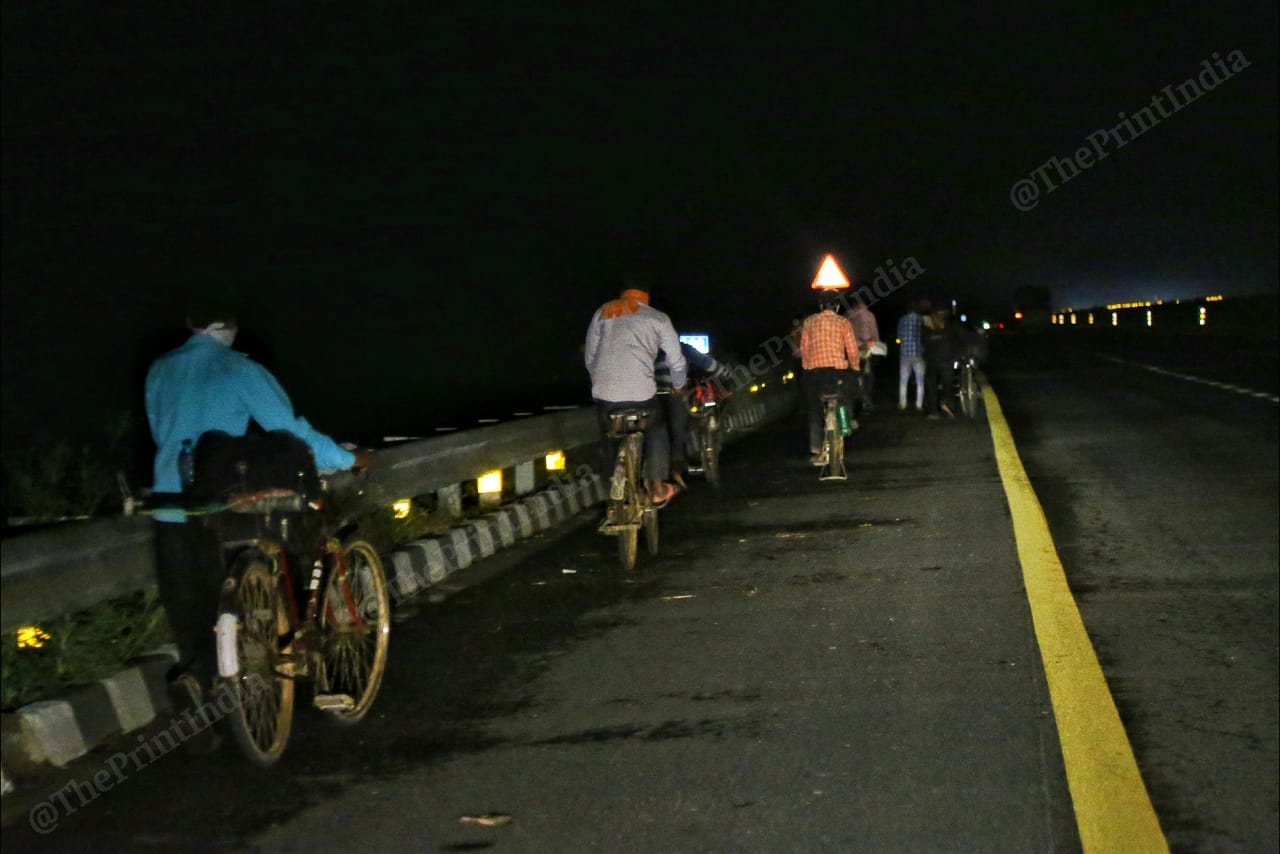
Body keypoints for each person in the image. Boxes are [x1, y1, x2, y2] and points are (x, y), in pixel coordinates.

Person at [145, 294, 370, 731]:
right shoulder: (240, 370)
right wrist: (348, 459)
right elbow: (290, 433)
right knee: (257, 575)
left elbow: (163, 434)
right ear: (231, 324)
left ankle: (197, 693)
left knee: (190, 620)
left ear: (190, 320)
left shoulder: (160, 369)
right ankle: (268, 670)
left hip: (169, 507)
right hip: (220, 505)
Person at [584, 282, 686, 506]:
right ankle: (658, 488)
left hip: (605, 394)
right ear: (646, 297)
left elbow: (590, 356)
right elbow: (677, 362)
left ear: (623, 295)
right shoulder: (658, 318)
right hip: (641, 395)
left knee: (608, 433)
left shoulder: (603, 313)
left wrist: (599, 382)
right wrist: (679, 386)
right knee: (657, 428)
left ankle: (611, 481)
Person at [799, 291, 860, 465]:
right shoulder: (843, 322)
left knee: (814, 409)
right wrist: (855, 366)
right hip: (838, 372)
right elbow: (852, 350)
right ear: (838, 306)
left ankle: (817, 448)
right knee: (849, 392)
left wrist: (806, 366)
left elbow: (804, 349)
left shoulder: (809, 322)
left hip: (816, 373)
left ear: (820, 306)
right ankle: (848, 418)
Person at [655, 340, 729, 484]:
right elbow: (706, 362)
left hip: (650, 395)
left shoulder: (649, 348)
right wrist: (724, 372)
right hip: (674, 393)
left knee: (656, 430)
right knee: (678, 430)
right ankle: (677, 470)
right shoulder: (682, 347)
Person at [923, 307, 962, 418]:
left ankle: (934, 411)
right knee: (947, 385)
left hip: (931, 361)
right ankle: (947, 404)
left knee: (932, 386)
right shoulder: (949, 329)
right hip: (946, 361)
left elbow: (924, 344)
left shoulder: (927, 331)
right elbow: (956, 342)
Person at [848, 298, 881, 412]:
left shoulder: (849, 316)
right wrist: (876, 345)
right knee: (869, 375)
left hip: (853, 350)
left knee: (857, 375)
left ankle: (860, 398)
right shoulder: (870, 315)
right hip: (868, 349)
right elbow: (875, 334)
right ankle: (867, 399)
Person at [896, 301, 927, 412]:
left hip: (905, 353)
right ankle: (919, 404)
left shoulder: (902, 320)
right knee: (920, 381)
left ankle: (903, 403)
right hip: (919, 354)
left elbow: (899, 337)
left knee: (903, 381)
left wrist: (900, 342)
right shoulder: (921, 320)